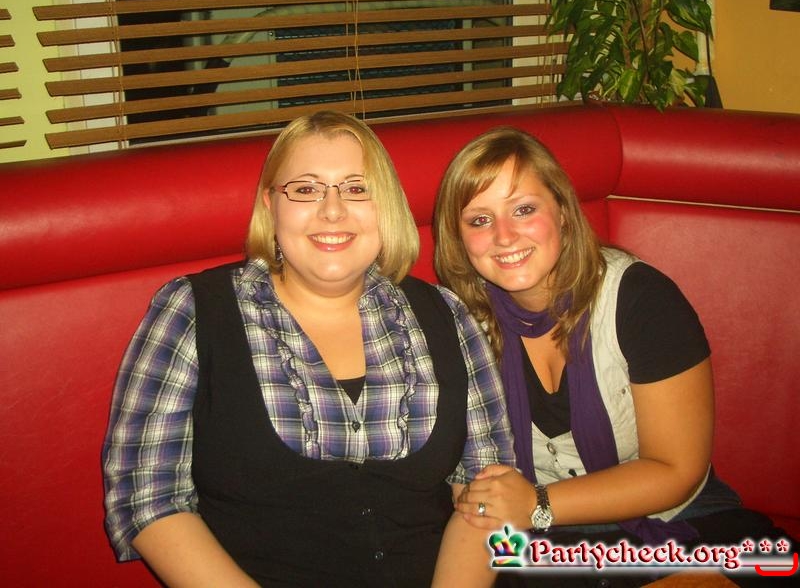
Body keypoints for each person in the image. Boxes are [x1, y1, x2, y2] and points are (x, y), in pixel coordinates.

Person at [102, 110, 515, 587]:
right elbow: (148, 499)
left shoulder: (447, 313)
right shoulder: (193, 311)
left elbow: (489, 491)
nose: (332, 210)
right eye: (305, 189)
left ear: (386, 206)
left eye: (356, 188)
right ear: (270, 205)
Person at [433, 126, 795, 587]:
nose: (504, 236)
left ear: (563, 212)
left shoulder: (642, 300)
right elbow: (479, 500)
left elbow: (676, 471)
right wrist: (502, 507)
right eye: (480, 220)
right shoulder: (459, 326)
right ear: (459, 238)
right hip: (543, 546)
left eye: (523, 209)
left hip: (678, 524)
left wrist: (537, 504)